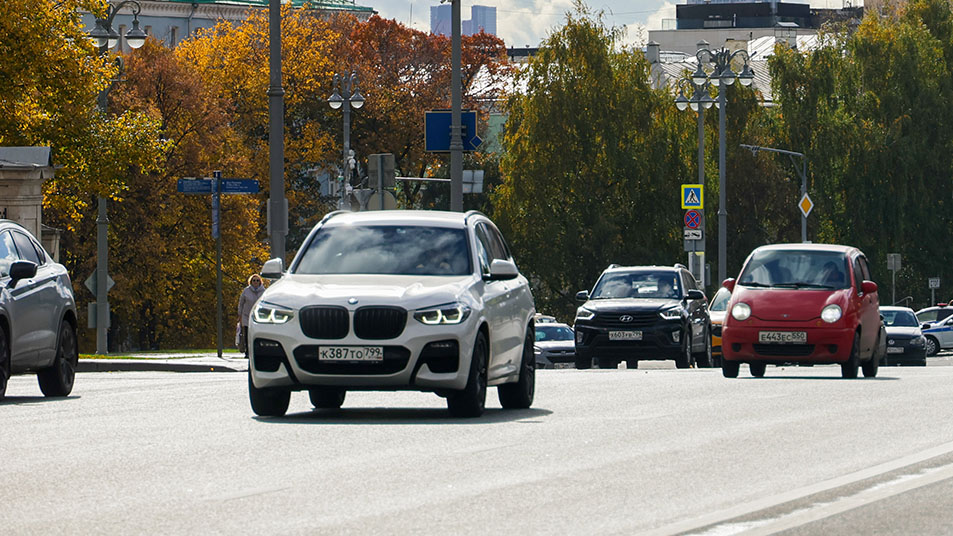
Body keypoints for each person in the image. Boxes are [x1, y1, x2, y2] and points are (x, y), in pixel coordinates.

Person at [237, 273, 265, 357]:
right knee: (247, 335)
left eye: (257, 280)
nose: (255, 282)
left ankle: (258, 351)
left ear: (260, 282)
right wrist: (240, 315)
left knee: (257, 334)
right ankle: (247, 352)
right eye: (254, 280)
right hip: (246, 316)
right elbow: (241, 303)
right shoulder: (246, 291)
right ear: (251, 281)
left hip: (258, 316)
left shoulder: (264, 291)